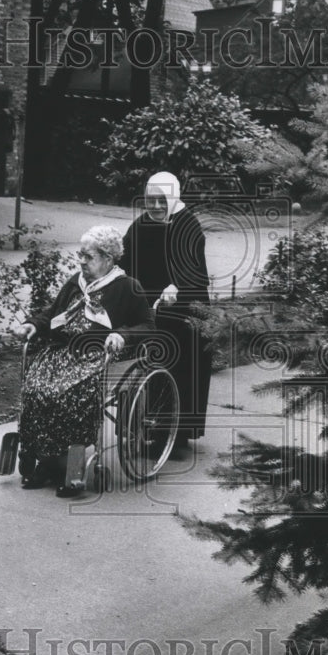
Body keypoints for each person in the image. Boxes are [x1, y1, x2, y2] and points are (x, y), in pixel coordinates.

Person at [15, 225, 153, 497]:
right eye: (81, 255)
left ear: (108, 259)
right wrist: (33, 324)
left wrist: (122, 335)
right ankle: (46, 460)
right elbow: (53, 314)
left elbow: (148, 325)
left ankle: (72, 466)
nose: (81, 261)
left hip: (98, 357)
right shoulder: (75, 282)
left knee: (71, 393)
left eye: (88, 257)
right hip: (62, 352)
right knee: (35, 389)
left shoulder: (127, 286)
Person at [121, 171, 212, 449]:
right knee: (154, 364)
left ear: (173, 198)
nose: (157, 206)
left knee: (181, 369)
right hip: (153, 308)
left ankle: (175, 436)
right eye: (151, 200)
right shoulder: (141, 225)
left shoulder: (187, 224)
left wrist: (176, 285)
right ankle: (150, 426)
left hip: (185, 310)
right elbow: (125, 256)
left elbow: (192, 266)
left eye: (163, 200)